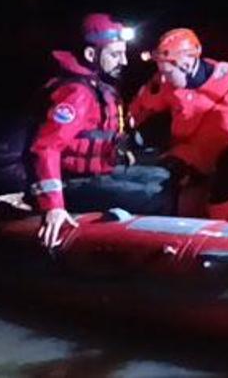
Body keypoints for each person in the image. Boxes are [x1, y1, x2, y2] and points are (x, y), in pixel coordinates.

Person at [26, 13, 175, 248]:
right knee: (157, 197)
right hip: (72, 184)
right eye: (115, 54)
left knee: (167, 179)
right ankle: (149, 251)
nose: (124, 61)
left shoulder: (98, 87)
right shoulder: (77, 94)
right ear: (90, 55)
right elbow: (46, 148)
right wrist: (54, 205)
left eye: (124, 53)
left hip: (97, 174)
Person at [130, 28, 228, 220]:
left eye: (167, 72)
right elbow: (140, 110)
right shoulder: (164, 84)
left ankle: (223, 215)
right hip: (193, 155)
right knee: (160, 178)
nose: (163, 77)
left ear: (187, 64)